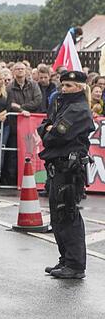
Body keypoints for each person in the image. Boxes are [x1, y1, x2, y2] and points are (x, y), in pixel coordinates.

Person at [40, 70, 94, 279]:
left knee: (68, 214)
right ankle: (65, 259)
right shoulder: (63, 105)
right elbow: (45, 127)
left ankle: (75, 264)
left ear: (80, 87)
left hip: (69, 169)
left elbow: (56, 136)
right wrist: (49, 129)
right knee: (58, 216)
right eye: (63, 85)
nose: (64, 89)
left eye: (69, 86)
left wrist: (50, 130)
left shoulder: (79, 109)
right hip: (57, 167)